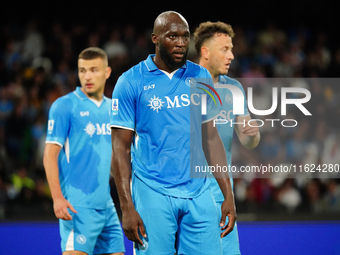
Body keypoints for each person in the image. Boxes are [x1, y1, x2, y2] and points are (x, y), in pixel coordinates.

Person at [110, 11, 236, 255]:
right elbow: (120, 148)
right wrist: (126, 207)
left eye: (185, 36)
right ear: (155, 39)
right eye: (172, 36)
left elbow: (211, 137)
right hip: (152, 192)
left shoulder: (200, 75)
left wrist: (227, 195)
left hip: (199, 192)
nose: (180, 43)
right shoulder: (130, 82)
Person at [43, 47, 125, 255]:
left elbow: (115, 159)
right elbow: (49, 154)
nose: (87, 76)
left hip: (106, 205)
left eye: (94, 70)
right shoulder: (64, 106)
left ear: (107, 72)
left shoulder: (113, 109)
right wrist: (57, 198)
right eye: (82, 70)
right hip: (77, 206)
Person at [194, 21, 261, 254]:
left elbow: (248, 139)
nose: (231, 55)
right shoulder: (183, 86)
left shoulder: (234, 89)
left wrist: (252, 134)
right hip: (190, 194)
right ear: (205, 52)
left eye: (231, 49)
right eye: (224, 49)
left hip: (223, 195)